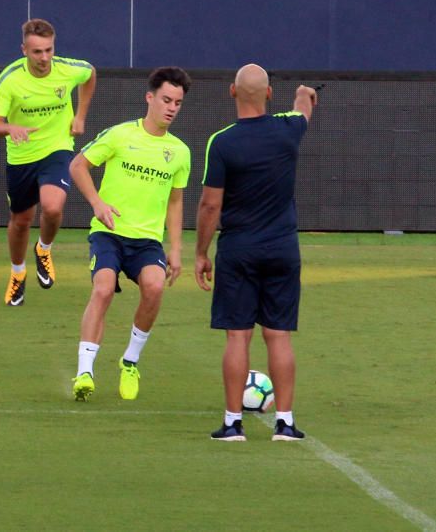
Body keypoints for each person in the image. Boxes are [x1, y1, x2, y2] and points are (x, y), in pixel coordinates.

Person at [194, 64, 317, 442]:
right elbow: (304, 103)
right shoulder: (288, 129)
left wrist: (201, 253)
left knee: (237, 337)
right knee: (278, 337)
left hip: (239, 249)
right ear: (268, 94)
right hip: (282, 247)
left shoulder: (223, 141)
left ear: (232, 92)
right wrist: (304, 91)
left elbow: (210, 206)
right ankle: (285, 422)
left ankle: (233, 423)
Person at [68, 67, 192, 401]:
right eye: (166, 99)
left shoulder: (180, 152)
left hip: (147, 240)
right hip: (108, 233)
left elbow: (176, 202)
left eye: (178, 103)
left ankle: (130, 361)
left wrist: (177, 249)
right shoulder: (120, 135)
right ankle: (84, 371)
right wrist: (97, 203)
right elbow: (78, 165)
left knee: (154, 287)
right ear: (149, 98)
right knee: (104, 289)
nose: (171, 108)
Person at [0, 19, 96, 306]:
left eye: (48, 50)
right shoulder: (9, 80)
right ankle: (18, 273)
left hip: (57, 149)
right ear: (24, 50)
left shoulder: (68, 70)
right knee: (21, 221)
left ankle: (44, 249)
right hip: (21, 157)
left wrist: (80, 116)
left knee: (52, 207)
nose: (44, 58)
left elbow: (90, 74)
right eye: (37, 52)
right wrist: (11, 128)